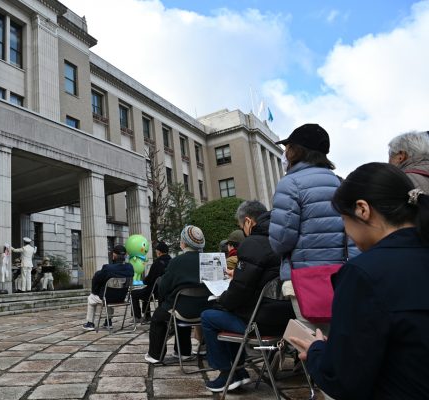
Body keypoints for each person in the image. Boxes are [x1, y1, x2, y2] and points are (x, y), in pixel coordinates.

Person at [290, 162, 429, 399]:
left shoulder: (363, 273)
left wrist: (317, 351)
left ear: (362, 209)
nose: (346, 232)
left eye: (343, 220)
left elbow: (343, 380)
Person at [270, 123, 356, 330]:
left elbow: (281, 241)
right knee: (342, 340)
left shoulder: (289, 184)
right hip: (342, 278)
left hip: (304, 279)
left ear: (296, 150)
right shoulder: (341, 183)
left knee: (313, 346)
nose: (285, 153)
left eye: (287, 148)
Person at [201, 201, 294, 392]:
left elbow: (239, 291)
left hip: (261, 323)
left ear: (249, 222)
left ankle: (227, 372)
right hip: (288, 319)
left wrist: (222, 300)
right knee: (230, 313)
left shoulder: (252, 244)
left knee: (209, 317)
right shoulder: (283, 238)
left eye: (241, 225)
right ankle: (239, 371)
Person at [144, 225, 210, 364]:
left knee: (159, 316)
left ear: (184, 243)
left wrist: (166, 300)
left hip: (182, 309)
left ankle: (155, 355)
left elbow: (163, 287)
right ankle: (183, 352)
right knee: (180, 307)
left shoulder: (176, 262)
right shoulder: (209, 260)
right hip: (206, 308)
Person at [82, 244, 134, 331]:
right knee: (109, 293)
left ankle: (90, 323)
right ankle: (108, 322)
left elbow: (97, 279)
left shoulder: (107, 268)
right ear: (125, 256)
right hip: (121, 297)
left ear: (114, 255)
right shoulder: (130, 267)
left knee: (91, 298)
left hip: (107, 297)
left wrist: (95, 292)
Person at [131, 241, 171, 322]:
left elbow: (149, 279)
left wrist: (144, 281)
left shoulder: (157, 263)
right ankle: (147, 315)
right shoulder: (172, 261)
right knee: (146, 291)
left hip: (155, 292)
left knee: (134, 293)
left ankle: (138, 316)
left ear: (159, 252)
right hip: (168, 291)